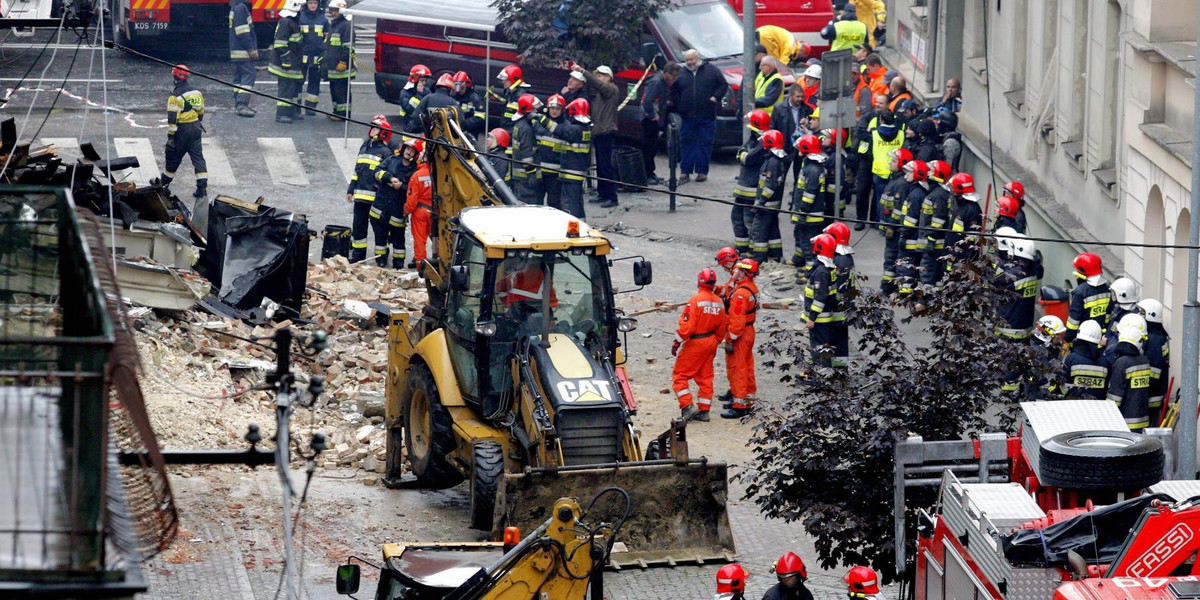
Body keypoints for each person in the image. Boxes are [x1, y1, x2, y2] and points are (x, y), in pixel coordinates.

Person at [673, 268, 728, 423]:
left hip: (696, 342)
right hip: (711, 341)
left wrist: (677, 341)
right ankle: (704, 411)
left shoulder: (696, 300)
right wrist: (715, 341)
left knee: (680, 376)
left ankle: (687, 406)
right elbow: (722, 326)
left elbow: (687, 327)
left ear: (699, 281)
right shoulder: (719, 302)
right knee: (705, 377)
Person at [671, 49, 729, 184]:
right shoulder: (682, 74)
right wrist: (680, 106)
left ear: (698, 58)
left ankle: (702, 172)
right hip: (687, 116)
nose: (689, 62)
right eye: (687, 60)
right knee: (686, 143)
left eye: (691, 59)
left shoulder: (711, 70)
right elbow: (674, 91)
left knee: (705, 143)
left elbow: (723, 85)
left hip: (706, 115)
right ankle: (685, 171)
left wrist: (715, 98)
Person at [347, 115, 397, 263]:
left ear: (383, 133)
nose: (372, 130)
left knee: (380, 229)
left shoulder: (386, 152)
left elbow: (386, 176)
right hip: (360, 197)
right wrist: (350, 190)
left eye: (376, 128)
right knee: (358, 227)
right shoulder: (364, 147)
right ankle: (358, 256)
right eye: (372, 127)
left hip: (376, 199)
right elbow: (357, 171)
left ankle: (381, 258)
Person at [575, 64, 620, 208]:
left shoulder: (611, 89)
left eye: (601, 75)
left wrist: (583, 72)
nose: (598, 77)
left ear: (608, 77)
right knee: (601, 165)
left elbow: (599, 85)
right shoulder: (603, 93)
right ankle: (603, 193)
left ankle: (612, 197)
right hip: (600, 132)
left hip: (606, 132)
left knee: (606, 166)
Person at [162, 65, 208, 199]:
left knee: (172, 157)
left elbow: (172, 119)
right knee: (198, 158)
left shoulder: (174, 97)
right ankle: (202, 189)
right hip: (195, 129)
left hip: (181, 131)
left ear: (175, 78)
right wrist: (196, 123)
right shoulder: (197, 93)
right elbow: (201, 111)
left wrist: (171, 137)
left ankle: (163, 185)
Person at [373, 138, 420, 268]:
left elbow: (414, 190)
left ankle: (398, 265)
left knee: (398, 240)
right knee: (380, 238)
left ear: (415, 155)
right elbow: (376, 173)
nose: (409, 152)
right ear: (403, 149)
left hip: (398, 210)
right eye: (407, 149)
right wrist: (390, 178)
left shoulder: (414, 170)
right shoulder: (392, 160)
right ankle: (380, 260)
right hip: (380, 207)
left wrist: (402, 187)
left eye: (412, 151)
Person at [721, 258, 759, 419]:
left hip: (740, 335)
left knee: (738, 369)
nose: (734, 272)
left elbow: (737, 321)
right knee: (747, 365)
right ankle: (748, 400)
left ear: (744, 273)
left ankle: (740, 405)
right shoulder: (750, 288)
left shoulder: (741, 294)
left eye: (738, 270)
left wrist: (729, 338)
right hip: (748, 331)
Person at [858, 110, 906, 236]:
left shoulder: (874, 134)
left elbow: (866, 145)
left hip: (878, 171)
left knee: (880, 199)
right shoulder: (901, 133)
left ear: (881, 120)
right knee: (893, 201)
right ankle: (887, 224)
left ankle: (879, 224)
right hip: (894, 170)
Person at [732, 110, 771, 255]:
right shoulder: (754, 138)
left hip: (751, 190)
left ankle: (754, 252)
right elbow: (742, 152)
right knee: (737, 218)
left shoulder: (763, 142)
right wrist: (742, 153)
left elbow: (747, 158)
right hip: (743, 189)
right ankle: (742, 247)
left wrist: (742, 153)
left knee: (749, 221)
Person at [1107, 312, 1153, 431]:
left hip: (1124, 422)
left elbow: (1115, 396)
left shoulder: (1121, 363)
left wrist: (1107, 414)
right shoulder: (1145, 361)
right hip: (1142, 419)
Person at [877, 147, 912, 295]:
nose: (890, 163)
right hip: (889, 227)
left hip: (895, 230)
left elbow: (898, 209)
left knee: (892, 257)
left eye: (893, 161)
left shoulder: (901, 184)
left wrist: (891, 226)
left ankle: (888, 287)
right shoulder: (896, 180)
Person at [751, 130, 788, 263]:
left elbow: (770, 185)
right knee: (772, 230)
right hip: (772, 205)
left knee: (759, 230)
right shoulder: (775, 159)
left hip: (766, 205)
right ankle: (776, 255)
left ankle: (758, 258)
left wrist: (761, 201)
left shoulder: (773, 162)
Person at [791, 134, 826, 273]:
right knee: (799, 235)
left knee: (807, 241)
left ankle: (810, 270)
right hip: (808, 212)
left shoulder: (812, 169)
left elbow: (809, 193)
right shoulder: (811, 165)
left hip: (810, 214)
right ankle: (799, 260)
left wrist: (803, 210)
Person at [641, 62, 679, 186]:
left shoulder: (660, 81)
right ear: (667, 74)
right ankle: (647, 174)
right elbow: (647, 101)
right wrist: (652, 117)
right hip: (649, 120)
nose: (673, 79)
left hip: (653, 118)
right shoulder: (657, 82)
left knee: (651, 148)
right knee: (649, 148)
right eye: (673, 76)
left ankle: (650, 173)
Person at [804, 234, 840, 367]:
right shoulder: (828, 268)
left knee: (819, 345)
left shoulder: (821, 271)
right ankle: (820, 372)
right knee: (821, 344)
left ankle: (821, 375)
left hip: (819, 318)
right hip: (824, 315)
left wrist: (812, 317)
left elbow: (820, 297)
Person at [995, 238, 1039, 342]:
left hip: (1007, 330)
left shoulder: (1012, 275)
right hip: (1025, 328)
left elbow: (993, 285)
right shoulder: (1035, 271)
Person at [895, 159, 929, 295]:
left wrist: (903, 235)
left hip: (911, 238)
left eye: (909, 172)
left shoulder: (915, 195)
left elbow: (911, 219)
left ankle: (905, 294)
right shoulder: (916, 191)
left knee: (905, 267)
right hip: (913, 237)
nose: (906, 175)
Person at [269, 0, 304, 124]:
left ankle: (291, 111)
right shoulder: (287, 22)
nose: (302, 9)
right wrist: (286, 60)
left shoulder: (292, 21)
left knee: (292, 89)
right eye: (301, 7)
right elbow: (280, 44)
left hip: (293, 62)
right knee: (286, 90)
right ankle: (282, 114)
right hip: (286, 64)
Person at [557, 98, 593, 219]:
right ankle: (582, 223)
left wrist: (540, 118)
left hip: (570, 173)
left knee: (569, 203)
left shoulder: (574, 130)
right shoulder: (586, 128)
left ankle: (574, 225)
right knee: (577, 201)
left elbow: (558, 130)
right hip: (579, 171)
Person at [825, 221, 854, 368]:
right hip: (843, 309)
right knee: (840, 343)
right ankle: (840, 371)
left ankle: (833, 372)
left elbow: (838, 290)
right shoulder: (844, 257)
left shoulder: (840, 261)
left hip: (837, 310)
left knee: (831, 342)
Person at [918, 160, 952, 285]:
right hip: (932, 241)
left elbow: (938, 220)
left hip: (934, 242)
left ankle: (924, 301)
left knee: (927, 272)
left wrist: (931, 239)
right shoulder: (935, 192)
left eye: (931, 170)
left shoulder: (939, 195)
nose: (928, 172)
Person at [771, 84, 812, 188]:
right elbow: (773, 128)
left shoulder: (807, 109)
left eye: (802, 96)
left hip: (800, 150)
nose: (800, 99)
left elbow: (813, 129)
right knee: (779, 178)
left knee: (799, 179)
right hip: (785, 148)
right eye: (797, 96)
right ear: (790, 96)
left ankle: (795, 201)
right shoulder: (779, 108)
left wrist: (808, 124)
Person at [1065, 252, 1112, 341]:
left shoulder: (1080, 292)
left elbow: (1074, 321)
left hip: (1082, 338)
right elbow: (1108, 314)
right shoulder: (1107, 288)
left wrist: (1068, 339)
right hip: (1099, 337)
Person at [531, 94, 567, 208]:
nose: (554, 111)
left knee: (554, 203)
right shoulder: (538, 123)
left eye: (557, 109)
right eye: (552, 108)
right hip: (539, 171)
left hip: (555, 174)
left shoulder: (565, 127)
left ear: (562, 110)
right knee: (536, 202)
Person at [1138, 299, 1170, 422]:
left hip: (1151, 397)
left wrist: (1142, 392)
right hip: (1153, 394)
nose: (1139, 315)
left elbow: (1153, 372)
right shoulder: (1157, 336)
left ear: (1150, 316)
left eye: (1142, 312)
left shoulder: (1154, 340)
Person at [943, 172, 983, 270]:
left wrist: (965, 260)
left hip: (962, 258)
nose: (952, 191)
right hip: (953, 254)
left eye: (953, 188)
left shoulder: (972, 209)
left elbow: (971, 240)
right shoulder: (961, 206)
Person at [322, 0, 353, 120]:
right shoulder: (335, 25)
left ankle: (343, 114)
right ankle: (336, 111)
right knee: (334, 90)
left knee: (342, 91)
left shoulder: (346, 26)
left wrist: (343, 62)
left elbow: (348, 47)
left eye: (335, 10)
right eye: (332, 10)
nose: (333, 12)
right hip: (333, 66)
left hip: (341, 67)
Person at [1062, 319, 1108, 400]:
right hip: (1099, 408)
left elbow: (1063, 384)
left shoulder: (1071, 358)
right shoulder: (1105, 362)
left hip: (1073, 405)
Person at [508, 93, 541, 203]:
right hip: (525, 176)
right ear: (528, 110)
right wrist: (532, 173)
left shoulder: (519, 125)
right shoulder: (526, 129)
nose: (536, 112)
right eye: (534, 109)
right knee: (527, 205)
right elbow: (526, 154)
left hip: (518, 174)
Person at [229, 0, 258, 117]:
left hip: (236, 50)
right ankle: (242, 104)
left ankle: (238, 103)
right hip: (243, 51)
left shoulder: (235, 6)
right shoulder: (241, 8)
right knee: (249, 74)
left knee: (239, 77)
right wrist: (251, 49)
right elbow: (243, 33)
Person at [297, 0, 327, 116]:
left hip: (317, 57)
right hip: (302, 57)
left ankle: (310, 107)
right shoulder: (300, 18)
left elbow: (327, 38)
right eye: (310, 3)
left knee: (314, 82)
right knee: (299, 81)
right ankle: (297, 107)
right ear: (306, 4)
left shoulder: (323, 19)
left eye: (315, 3)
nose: (313, 5)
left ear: (318, 4)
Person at [404, 148, 432, 268]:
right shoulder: (437, 173)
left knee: (420, 241)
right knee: (439, 240)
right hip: (435, 211)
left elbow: (412, 199)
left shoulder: (417, 175)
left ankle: (421, 268)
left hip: (420, 211)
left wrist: (406, 211)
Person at [452, 71, 486, 137]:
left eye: (459, 84)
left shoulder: (475, 98)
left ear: (465, 84)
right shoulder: (453, 95)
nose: (457, 87)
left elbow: (481, 117)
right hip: (455, 128)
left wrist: (465, 123)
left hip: (470, 131)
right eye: (455, 84)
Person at [398, 64, 431, 132]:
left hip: (423, 127)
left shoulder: (426, 91)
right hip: (410, 127)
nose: (424, 83)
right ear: (415, 80)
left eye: (425, 80)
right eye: (422, 80)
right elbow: (409, 108)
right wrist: (419, 95)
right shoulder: (405, 92)